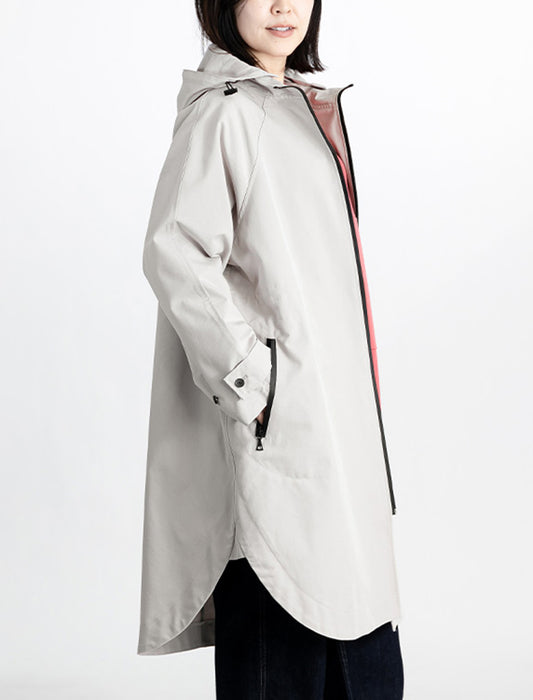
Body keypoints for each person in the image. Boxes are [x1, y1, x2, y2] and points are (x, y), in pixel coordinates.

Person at [137, 0, 405, 697]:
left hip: (332, 441)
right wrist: (255, 385)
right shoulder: (228, 112)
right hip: (280, 444)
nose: (285, 5)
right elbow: (175, 251)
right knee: (285, 644)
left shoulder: (295, 108)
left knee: (367, 658)